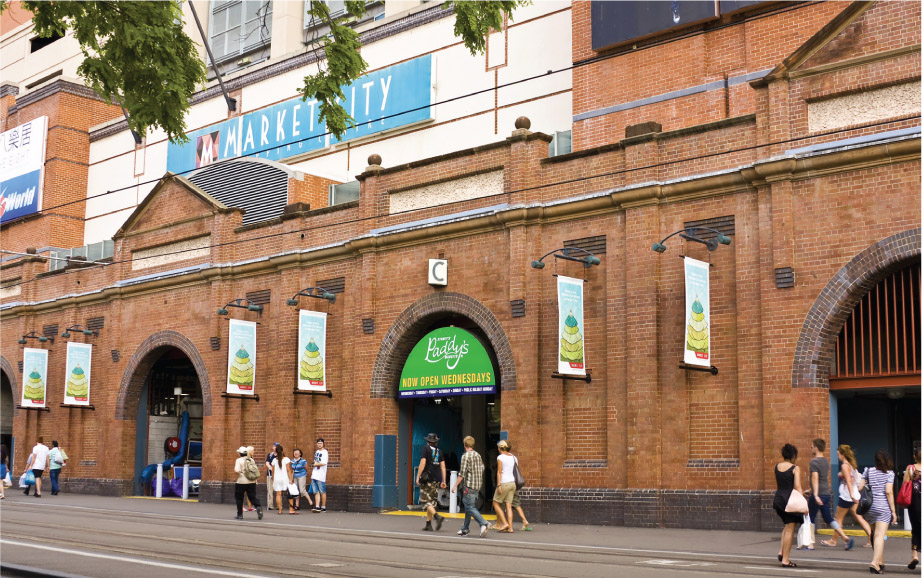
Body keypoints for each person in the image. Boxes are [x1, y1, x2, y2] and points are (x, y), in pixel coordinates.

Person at [802, 438, 848, 550]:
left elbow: (815, 478)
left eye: (812, 446)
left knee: (809, 518)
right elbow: (822, 480)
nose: (810, 448)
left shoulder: (814, 462)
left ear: (816, 448)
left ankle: (811, 543)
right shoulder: (825, 461)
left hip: (818, 495)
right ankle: (844, 536)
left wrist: (815, 494)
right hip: (826, 493)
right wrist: (810, 489)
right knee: (828, 518)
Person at [859, 450, 897, 574]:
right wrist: (893, 511)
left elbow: (860, 487)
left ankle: (880, 561)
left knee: (875, 534)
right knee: (880, 536)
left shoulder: (868, 471)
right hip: (883, 508)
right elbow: (888, 492)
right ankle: (875, 563)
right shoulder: (890, 474)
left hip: (869, 508)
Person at [451, 436, 490, 537]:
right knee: (469, 507)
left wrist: (455, 485)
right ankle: (465, 529)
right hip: (477, 486)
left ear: (464, 445)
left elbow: (462, 473)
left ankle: (484, 523)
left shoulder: (465, 456)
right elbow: (482, 468)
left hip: (469, 486)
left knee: (469, 507)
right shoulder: (478, 455)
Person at [773, 443, 804, 568]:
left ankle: (781, 552)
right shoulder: (795, 468)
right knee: (790, 529)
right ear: (793, 455)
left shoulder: (777, 467)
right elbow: (797, 487)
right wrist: (803, 501)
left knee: (786, 526)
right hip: (789, 500)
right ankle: (785, 559)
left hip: (778, 499)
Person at [415, 433, 446, 531]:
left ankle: (437, 517)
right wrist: (443, 480)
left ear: (428, 441)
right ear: (435, 442)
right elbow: (443, 466)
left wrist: (418, 476)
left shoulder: (425, 449)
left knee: (425, 501)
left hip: (427, 479)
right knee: (431, 502)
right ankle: (428, 524)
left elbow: (423, 462)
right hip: (436, 479)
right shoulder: (439, 451)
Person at [492, 440, 518, 533]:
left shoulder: (500, 457)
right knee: (508, 505)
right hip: (512, 483)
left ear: (500, 448)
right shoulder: (513, 457)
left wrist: (498, 485)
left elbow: (499, 472)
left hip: (504, 483)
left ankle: (504, 523)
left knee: (495, 503)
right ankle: (510, 528)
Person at [233, 446, 263, 520]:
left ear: (240, 453)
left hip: (241, 482)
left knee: (239, 498)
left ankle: (240, 515)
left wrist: (240, 473)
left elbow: (236, 470)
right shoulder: (251, 460)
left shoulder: (239, 460)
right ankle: (258, 506)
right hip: (251, 481)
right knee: (252, 497)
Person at [905, 448, 920, 571]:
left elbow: (905, 483)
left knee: (915, 529)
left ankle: (915, 556)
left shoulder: (910, 468)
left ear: (915, 457)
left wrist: (912, 479)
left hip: (915, 502)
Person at [271, 444, 295, 514]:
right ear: (282, 451)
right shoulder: (286, 459)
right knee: (290, 493)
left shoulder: (274, 460)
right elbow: (288, 470)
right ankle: (291, 509)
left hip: (277, 479)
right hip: (285, 478)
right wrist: (291, 479)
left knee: (278, 495)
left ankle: (280, 510)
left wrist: (273, 479)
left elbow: (272, 471)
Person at [310, 438, 329, 513]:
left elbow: (324, 463)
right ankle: (317, 506)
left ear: (323, 444)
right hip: (315, 474)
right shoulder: (317, 451)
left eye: (321, 443)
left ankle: (323, 507)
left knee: (322, 491)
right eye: (318, 443)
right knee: (316, 491)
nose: (319, 445)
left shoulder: (325, 452)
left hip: (321, 475)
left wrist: (315, 464)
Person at [265, 442, 278, 510]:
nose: (275, 447)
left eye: (276, 446)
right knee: (270, 490)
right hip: (270, 475)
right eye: (274, 446)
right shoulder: (270, 455)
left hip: (278, 475)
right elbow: (267, 463)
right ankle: (270, 505)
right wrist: (272, 469)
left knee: (278, 490)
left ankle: (279, 505)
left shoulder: (281, 455)